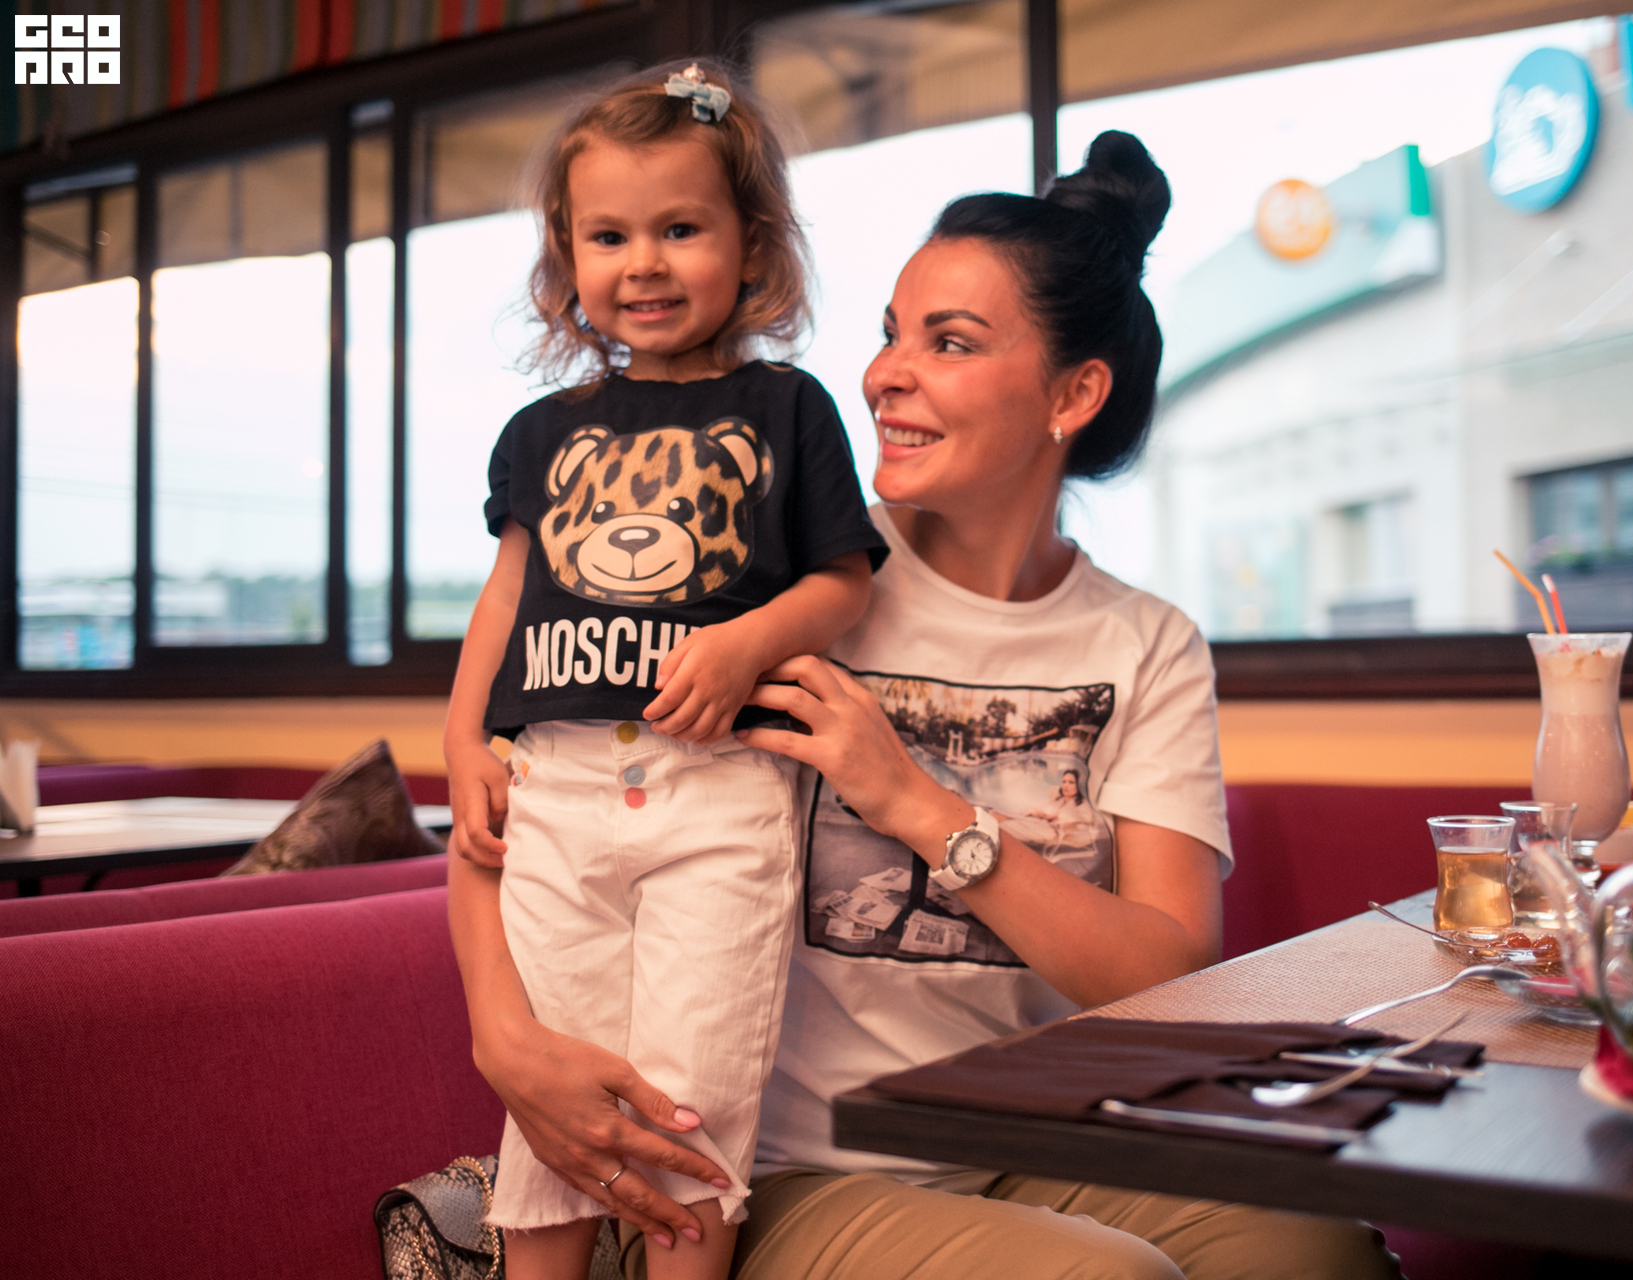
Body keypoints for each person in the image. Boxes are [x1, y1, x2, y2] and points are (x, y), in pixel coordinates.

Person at [449, 130, 1402, 1279]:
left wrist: (917, 803)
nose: (884, 375)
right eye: (890, 332)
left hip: (1034, 1136)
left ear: (1074, 393)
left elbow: (1168, 971)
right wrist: (503, 1034)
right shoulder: (774, 574)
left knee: (1320, 1251)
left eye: (947, 342)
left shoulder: (1146, 643)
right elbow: (546, 770)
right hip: (791, 1162)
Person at [442, 61, 887, 1280]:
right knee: (559, 1078)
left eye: (680, 229)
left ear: (753, 246)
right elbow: (505, 598)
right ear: (567, 256)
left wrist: (746, 641)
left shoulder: (788, 407)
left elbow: (845, 581)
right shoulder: (541, 432)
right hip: (559, 785)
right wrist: (463, 742)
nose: (643, 263)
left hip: (718, 790)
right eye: (610, 236)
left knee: (696, 1087)